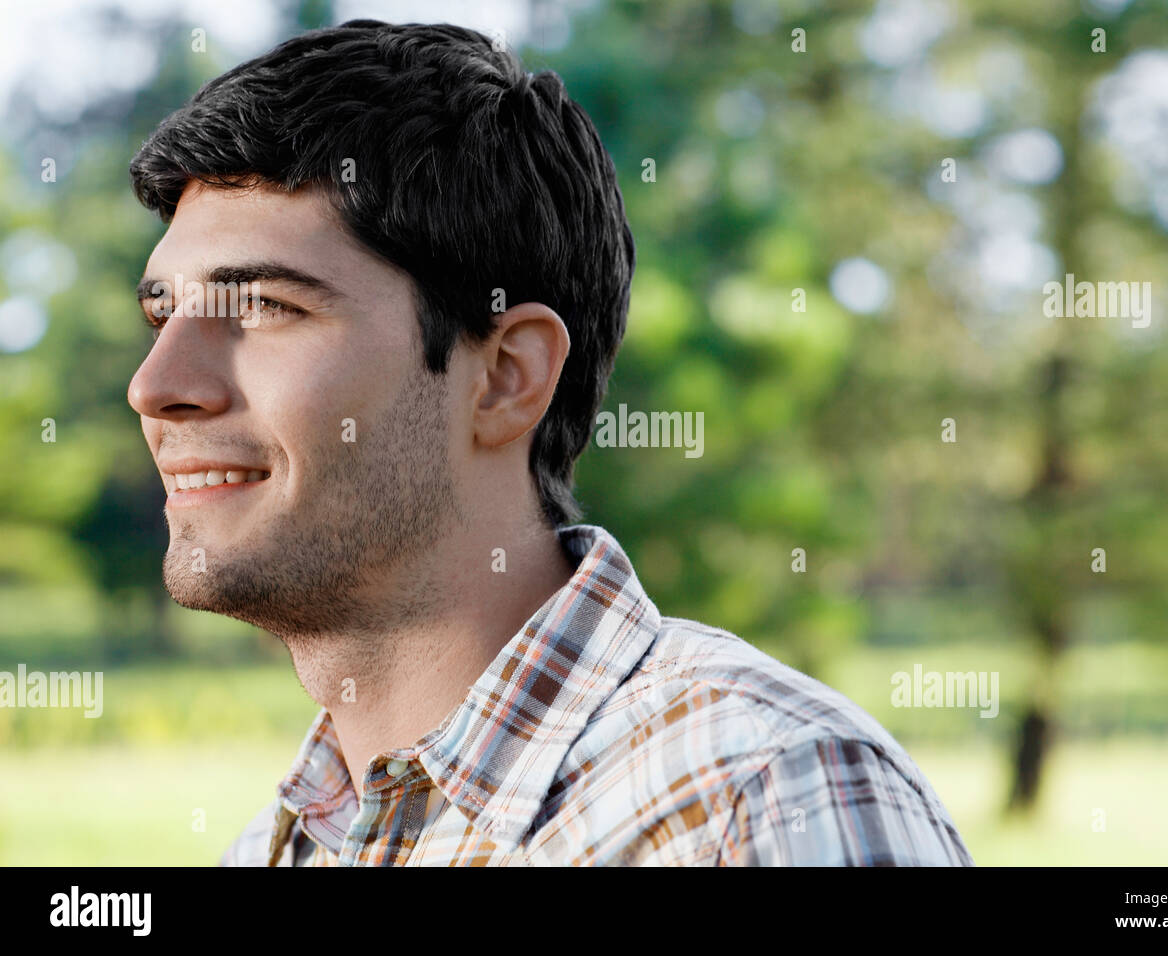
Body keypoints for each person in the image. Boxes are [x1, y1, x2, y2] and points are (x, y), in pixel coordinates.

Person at [126, 19, 973, 866]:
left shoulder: (757, 800)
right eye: (162, 313)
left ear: (506, 378)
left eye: (266, 306)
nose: (155, 386)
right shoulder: (281, 846)